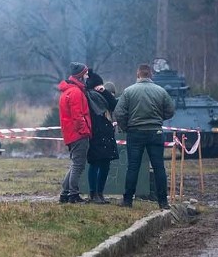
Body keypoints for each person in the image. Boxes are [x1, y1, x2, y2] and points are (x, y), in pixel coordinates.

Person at [113, 63, 176, 209]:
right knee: (159, 167)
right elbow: (170, 111)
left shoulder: (129, 91)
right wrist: (158, 119)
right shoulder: (160, 91)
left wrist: (126, 127)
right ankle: (163, 202)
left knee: (133, 167)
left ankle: (128, 200)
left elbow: (119, 113)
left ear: (138, 74)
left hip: (135, 133)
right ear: (151, 74)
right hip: (155, 132)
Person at [58, 62, 92, 204]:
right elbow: (78, 116)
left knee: (74, 164)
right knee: (78, 165)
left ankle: (65, 193)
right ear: (80, 76)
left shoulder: (67, 92)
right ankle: (74, 195)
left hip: (70, 133)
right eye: (85, 73)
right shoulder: (76, 93)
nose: (87, 76)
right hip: (78, 134)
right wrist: (85, 132)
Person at [85, 70, 119, 204]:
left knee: (105, 164)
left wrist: (104, 91)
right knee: (94, 163)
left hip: (106, 132)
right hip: (95, 133)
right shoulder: (88, 97)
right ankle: (94, 193)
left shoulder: (102, 96)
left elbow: (114, 105)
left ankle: (100, 192)